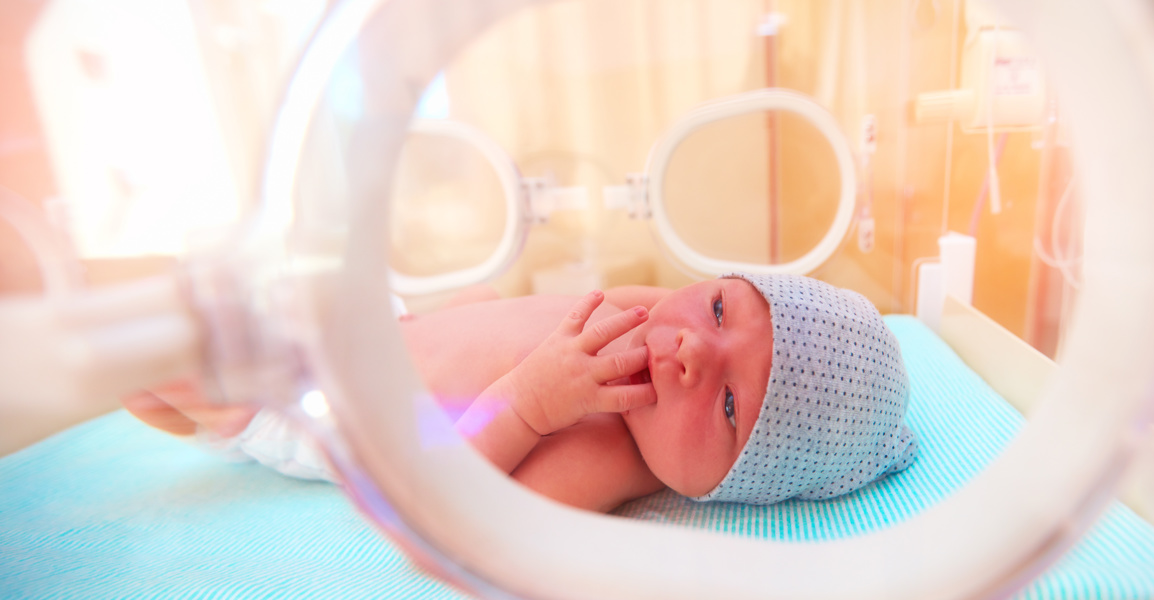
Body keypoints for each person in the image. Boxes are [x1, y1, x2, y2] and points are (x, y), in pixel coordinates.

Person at [123, 273, 918, 512]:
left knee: (144, 356)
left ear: (727, 485)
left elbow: (450, 499)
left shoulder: (608, 451)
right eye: (717, 310)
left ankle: (215, 414)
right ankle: (198, 416)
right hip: (377, 329)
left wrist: (530, 404)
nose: (687, 350)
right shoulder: (643, 311)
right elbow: (519, 313)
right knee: (173, 327)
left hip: (331, 410)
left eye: (732, 405)